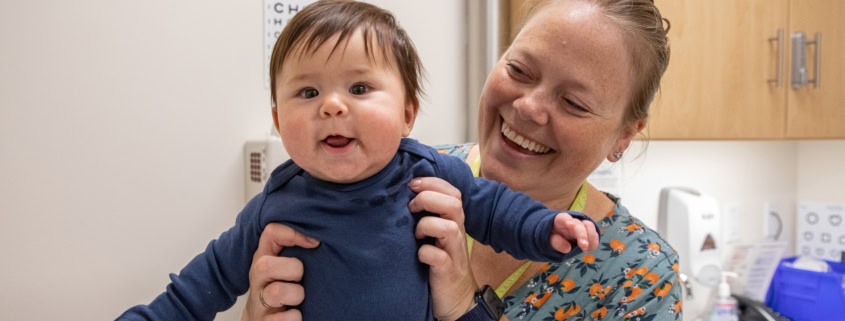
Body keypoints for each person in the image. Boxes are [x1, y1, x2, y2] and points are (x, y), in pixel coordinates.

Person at [118, 1, 601, 320]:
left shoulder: (429, 173)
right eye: (308, 92)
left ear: (407, 113)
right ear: (279, 121)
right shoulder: (276, 204)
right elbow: (196, 290)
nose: (332, 105)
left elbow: (496, 210)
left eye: (359, 87)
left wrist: (547, 228)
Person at [243, 0, 681, 320]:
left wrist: (463, 307)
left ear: (625, 134)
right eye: (519, 70)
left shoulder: (640, 279)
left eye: (573, 103)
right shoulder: (408, 174)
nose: (528, 107)